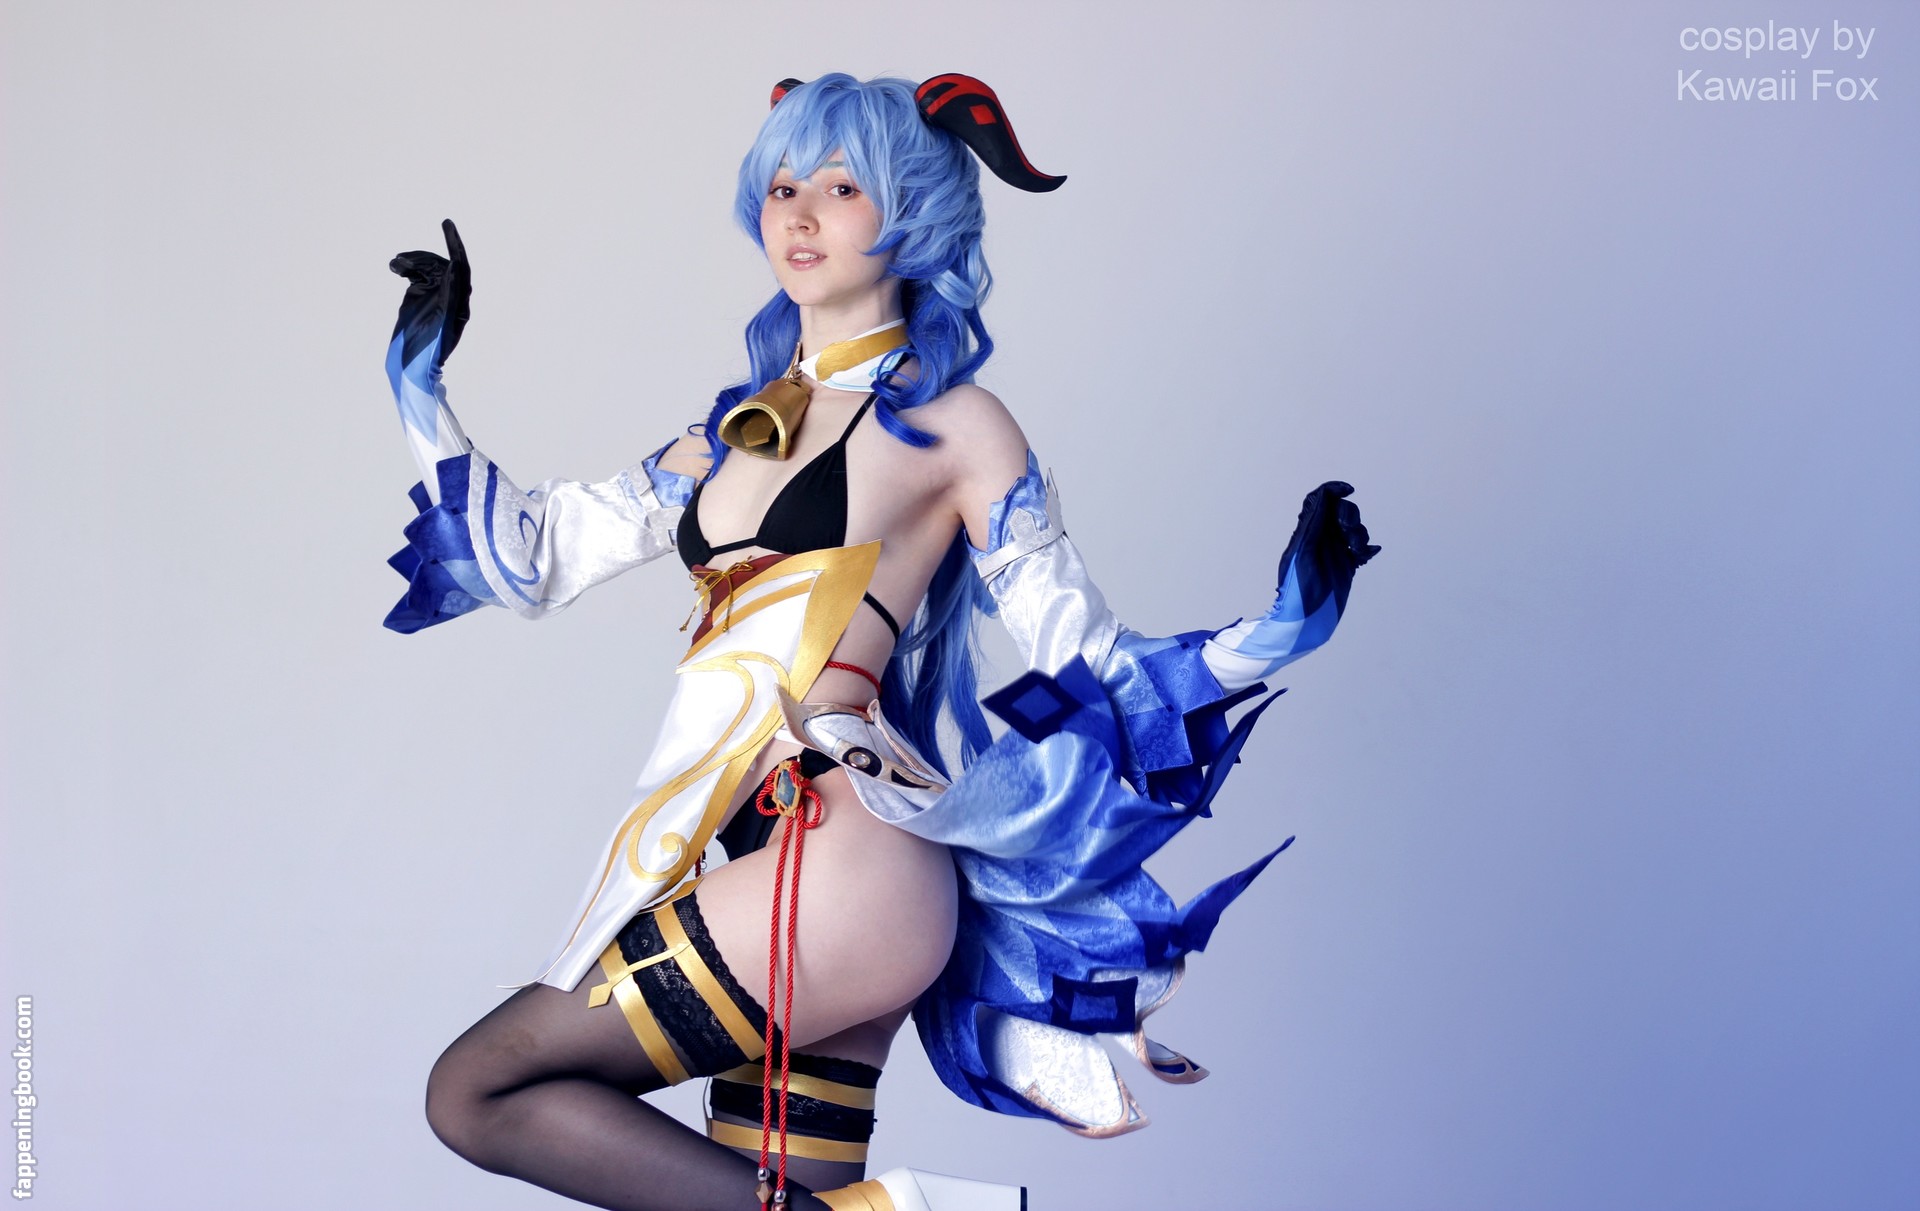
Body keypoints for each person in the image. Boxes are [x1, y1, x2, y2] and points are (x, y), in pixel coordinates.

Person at [380, 73, 1376, 1211]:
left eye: (842, 188)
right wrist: (418, 383)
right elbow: (533, 554)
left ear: (913, 211)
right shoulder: (727, 431)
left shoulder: (959, 424)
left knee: (479, 1089)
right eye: (782, 187)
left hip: (843, 862)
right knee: (757, 1192)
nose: (800, 215)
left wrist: (1280, 631)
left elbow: (1085, 656)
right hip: (766, 863)